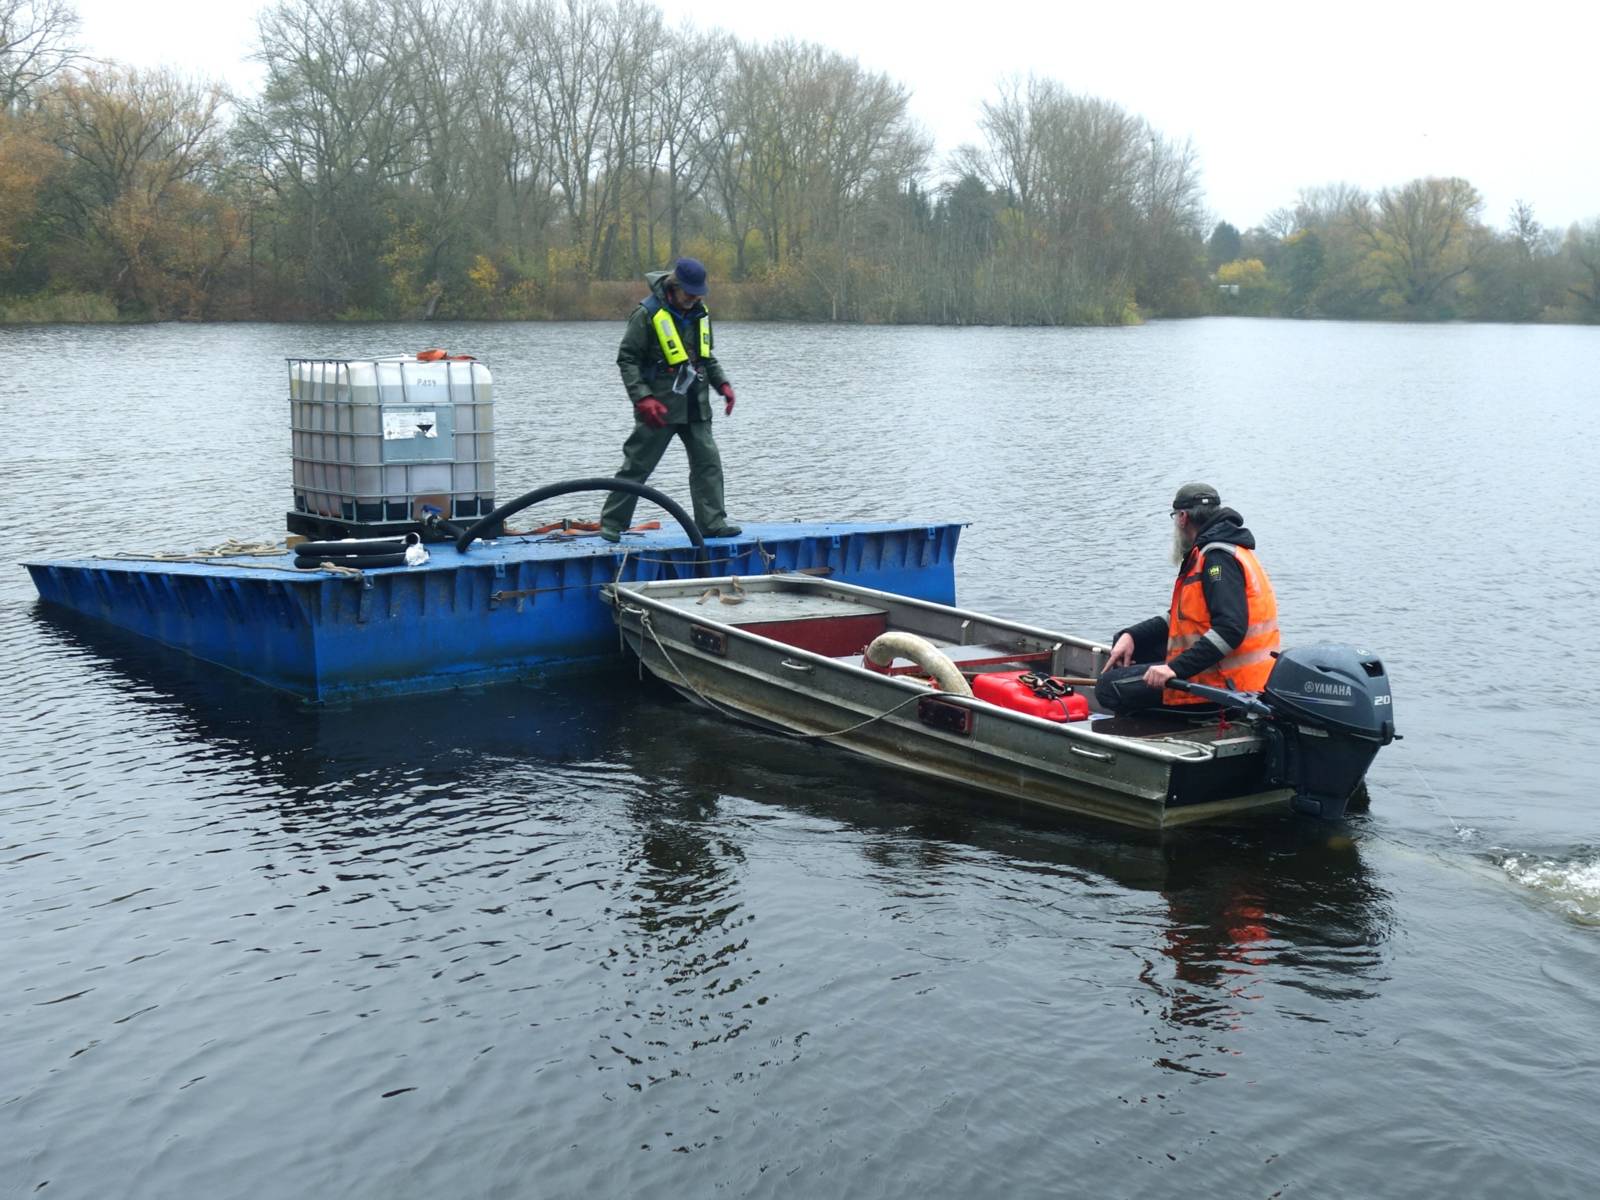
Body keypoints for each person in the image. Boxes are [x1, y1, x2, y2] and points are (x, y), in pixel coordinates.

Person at [1095, 482, 1280, 715]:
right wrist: (1132, 635)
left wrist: (1173, 669)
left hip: (1228, 688)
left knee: (1107, 687)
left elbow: (1230, 628)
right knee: (1132, 647)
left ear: (1182, 517)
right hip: (1228, 674)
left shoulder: (1217, 560)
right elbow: (1182, 616)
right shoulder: (1220, 550)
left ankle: (1165, 732)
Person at [599, 258, 741, 542]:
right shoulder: (646, 314)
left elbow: (706, 357)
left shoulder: (700, 314)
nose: (694, 298)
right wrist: (643, 398)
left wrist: (722, 383)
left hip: (696, 405)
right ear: (674, 287)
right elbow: (627, 360)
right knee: (637, 465)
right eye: (689, 293)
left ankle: (712, 523)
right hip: (659, 408)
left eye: (698, 293)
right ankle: (612, 523)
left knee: (708, 464)